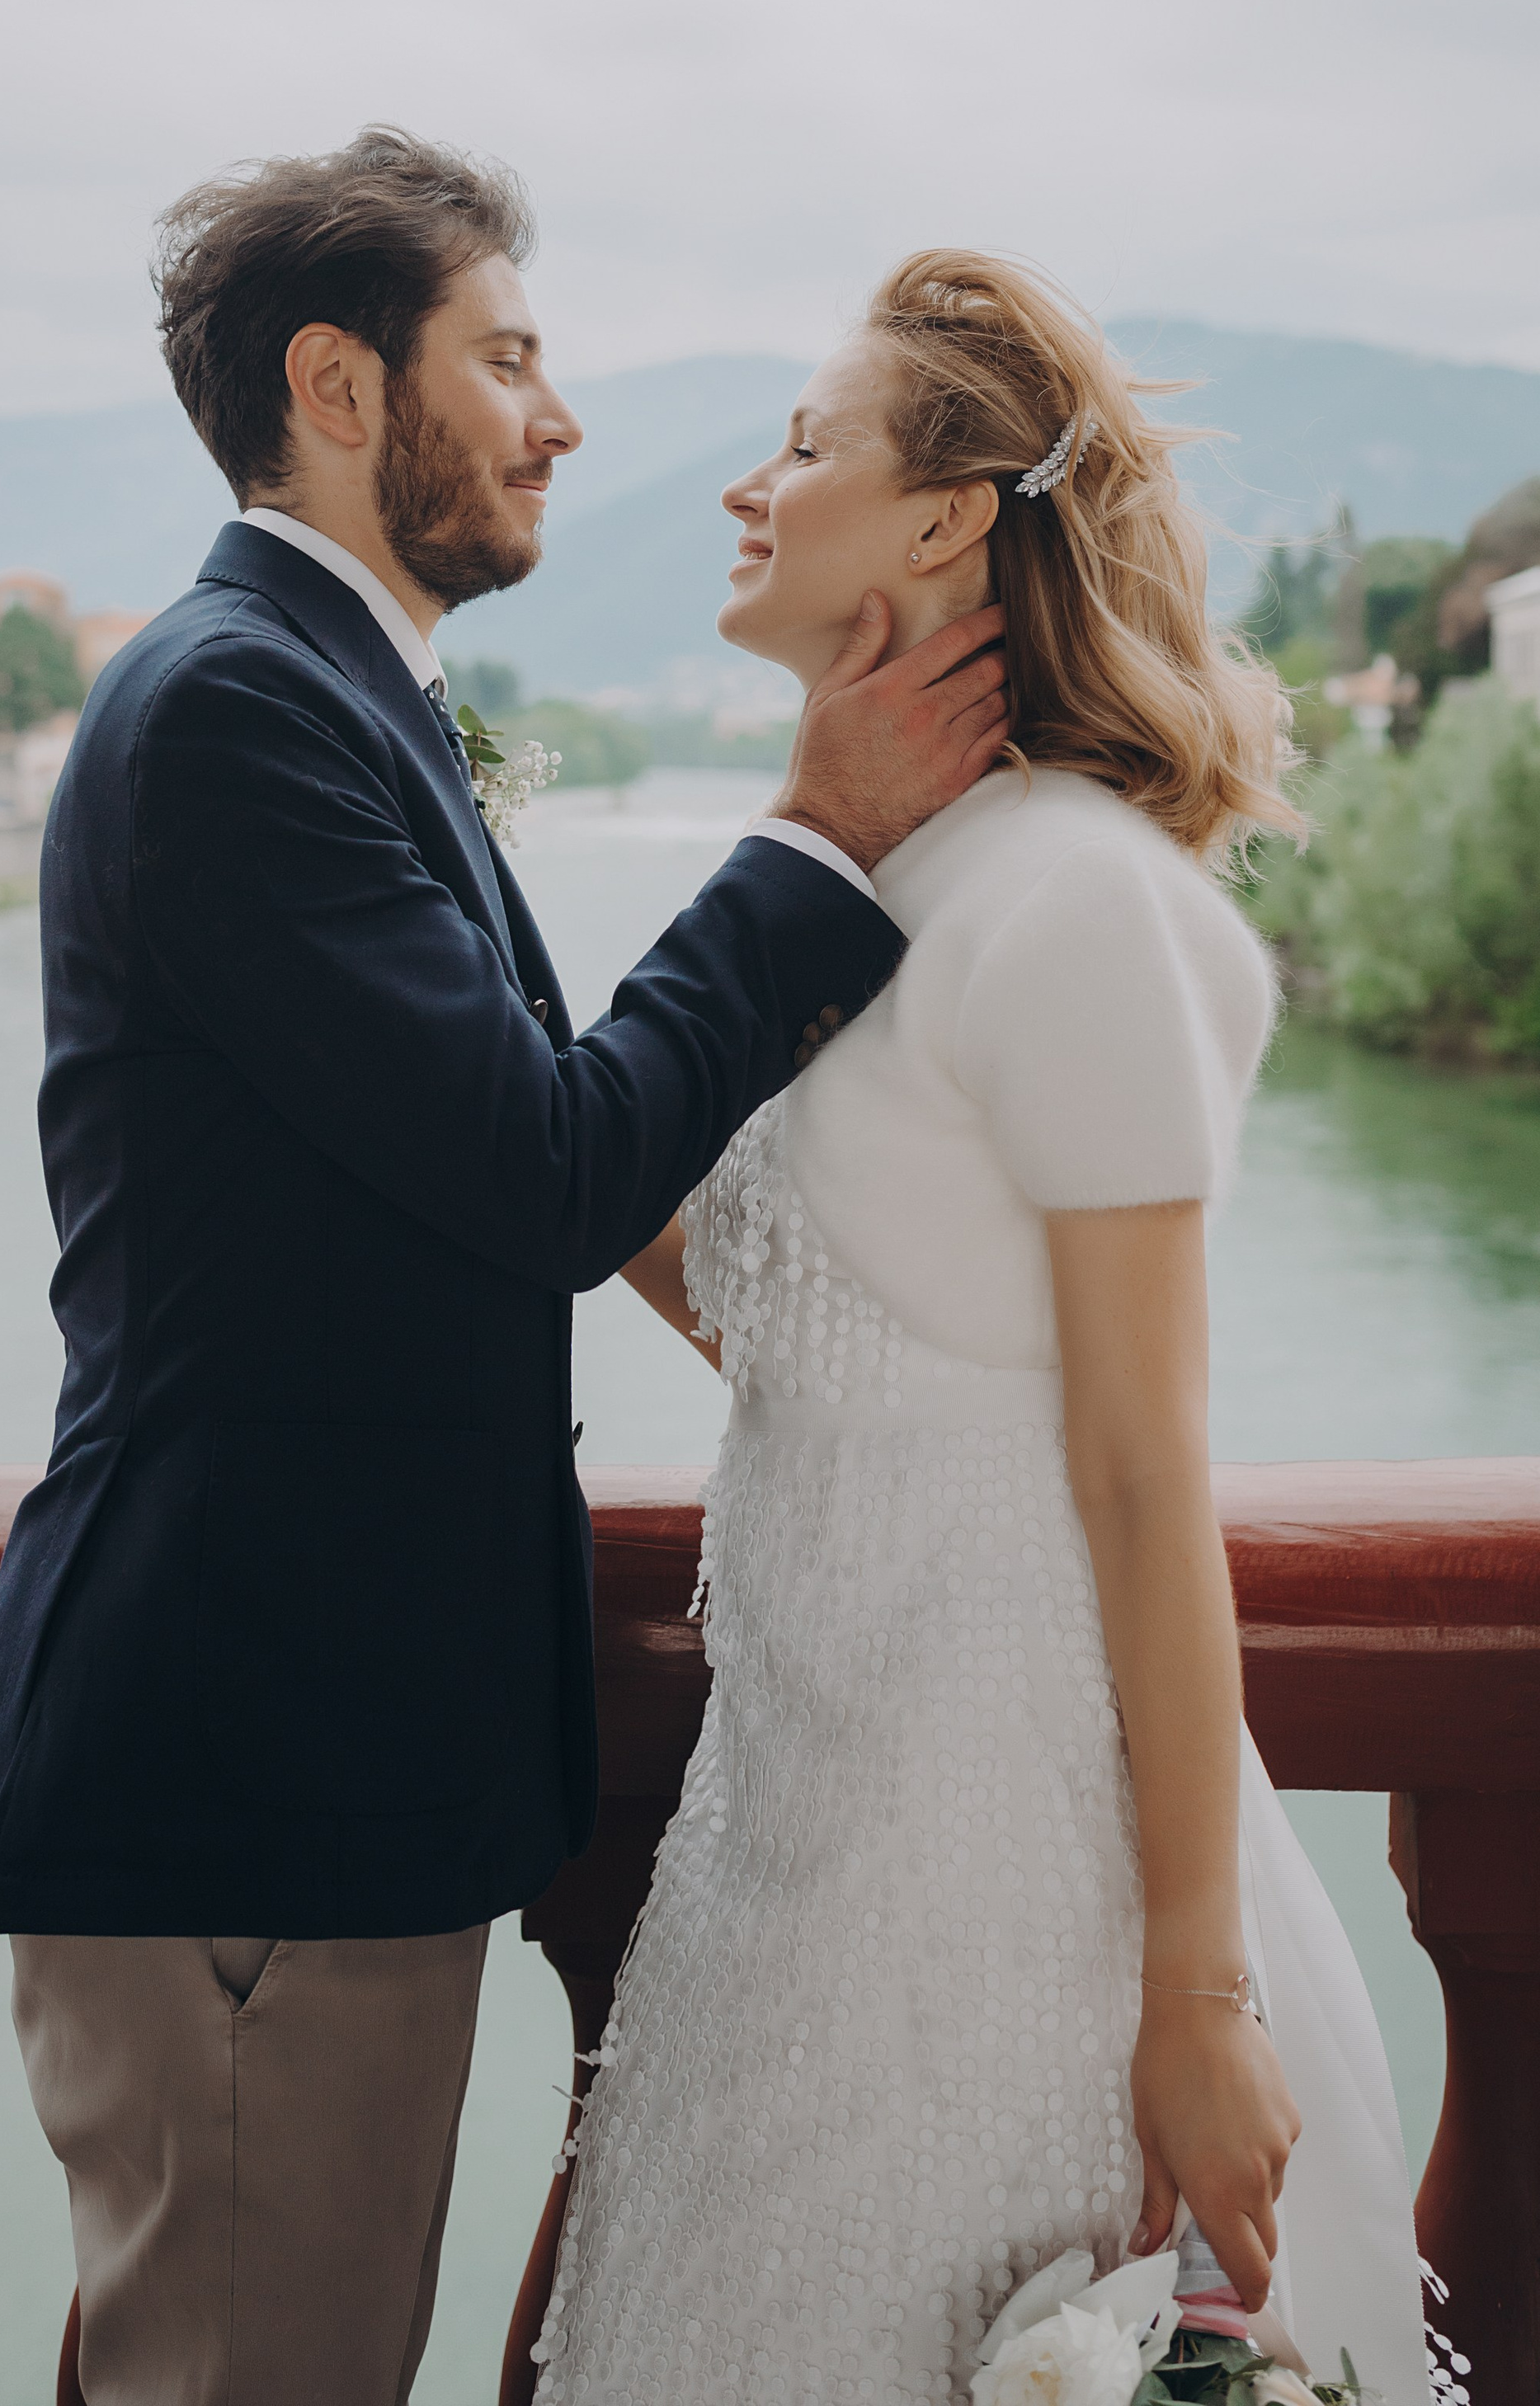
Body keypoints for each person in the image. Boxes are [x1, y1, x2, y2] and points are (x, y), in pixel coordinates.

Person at [0, 133, 1010, 2406]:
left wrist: (893, 1382)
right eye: (507, 359)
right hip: (252, 1785)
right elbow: (541, 1163)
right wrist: (819, 832)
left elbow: (517, 1155)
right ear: (339, 385)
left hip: (309, 1772)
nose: (564, 418)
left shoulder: (324, 692)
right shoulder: (236, 710)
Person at [532, 252, 1432, 2405]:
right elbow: (766, 1304)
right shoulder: (865, 883)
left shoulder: (1081, 902)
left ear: (947, 519)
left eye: (804, 446)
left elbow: (1144, 1471)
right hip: (788, 1863)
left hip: (1021, 1895)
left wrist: (1194, 2002)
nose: (746, 488)